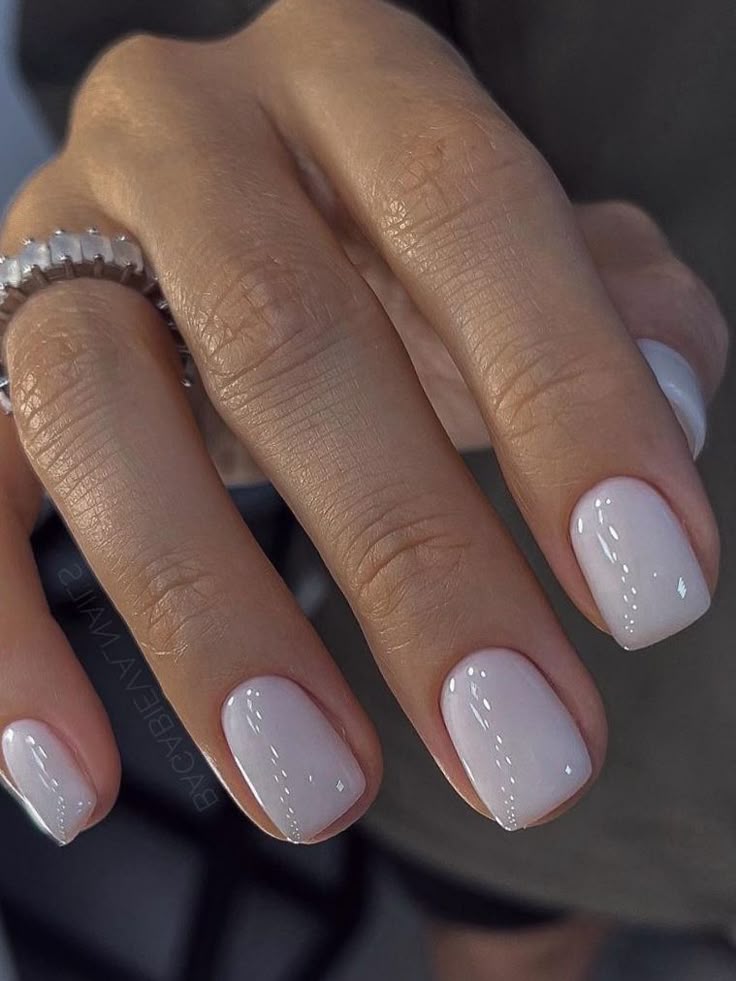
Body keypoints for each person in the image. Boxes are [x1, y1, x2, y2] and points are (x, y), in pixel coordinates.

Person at [1, 1, 733, 978]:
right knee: (510, 948)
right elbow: (171, 89)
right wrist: (226, 213)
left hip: (537, 703)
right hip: (512, 668)